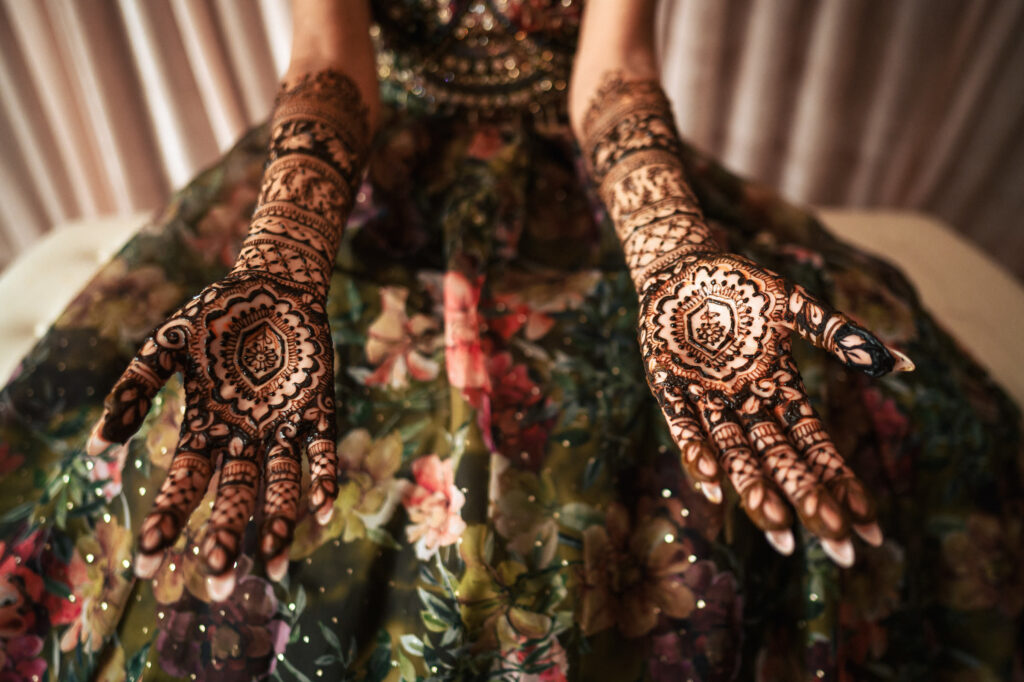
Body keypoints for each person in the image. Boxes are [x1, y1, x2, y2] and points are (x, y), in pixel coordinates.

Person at [0, 1, 1020, 680]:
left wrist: (671, 252)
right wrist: (284, 258)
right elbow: (326, 59)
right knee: (172, 455)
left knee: (810, 417)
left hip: (588, 184)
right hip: (370, 183)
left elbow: (614, 69)